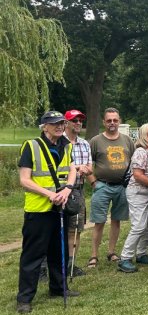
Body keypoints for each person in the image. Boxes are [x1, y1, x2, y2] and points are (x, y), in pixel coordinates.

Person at [16, 111, 79, 314]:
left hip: (60, 206)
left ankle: (59, 288)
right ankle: (24, 298)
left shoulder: (67, 145)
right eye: (54, 124)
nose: (59, 126)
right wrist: (49, 194)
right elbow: (25, 180)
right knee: (33, 255)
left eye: (62, 123)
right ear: (44, 127)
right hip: (39, 208)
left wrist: (68, 188)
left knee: (58, 251)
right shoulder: (31, 146)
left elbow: (72, 169)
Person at [86, 107, 135, 269]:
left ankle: (112, 252)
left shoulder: (127, 140)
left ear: (119, 121)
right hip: (102, 186)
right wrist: (93, 182)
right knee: (99, 222)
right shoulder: (95, 141)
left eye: (115, 120)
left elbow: (134, 161)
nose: (112, 123)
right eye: (109, 120)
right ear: (104, 122)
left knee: (116, 221)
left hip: (122, 187)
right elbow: (87, 164)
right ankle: (94, 255)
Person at [118, 123, 148, 273]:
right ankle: (125, 257)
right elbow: (137, 175)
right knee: (138, 225)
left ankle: (142, 253)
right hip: (138, 192)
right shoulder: (140, 152)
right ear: (144, 135)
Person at [63, 109, 92, 277]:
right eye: (75, 120)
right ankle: (48, 265)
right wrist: (75, 168)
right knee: (56, 229)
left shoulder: (85, 143)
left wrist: (83, 169)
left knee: (75, 228)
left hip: (78, 190)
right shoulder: (60, 142)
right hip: (61, 190)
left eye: (80, 120)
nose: (78, 123)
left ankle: (70, 264)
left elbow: (90, 169)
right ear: (66, 123)